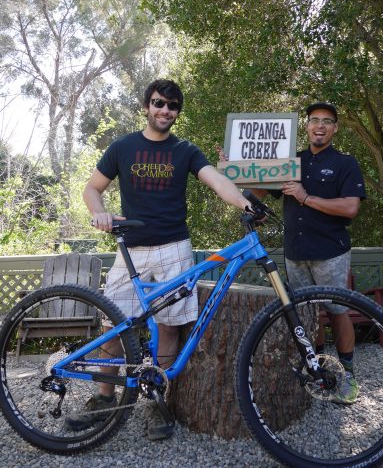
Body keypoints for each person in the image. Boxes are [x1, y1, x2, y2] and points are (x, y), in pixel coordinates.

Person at [66, 79, 250, 439]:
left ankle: (154, 401)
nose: (164, 110)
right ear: (146, 106)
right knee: (112, 326)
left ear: (177, 112)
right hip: (131, 248)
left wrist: (246, 203)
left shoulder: (185, 150)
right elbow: (92, 188)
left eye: (172, 105)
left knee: (168, 327)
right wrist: (99, 212)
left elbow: (215, 180)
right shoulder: (123, 146)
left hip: (173, 247)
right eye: (158, 103)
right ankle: (105, 398)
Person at [219, 101, 366, 404]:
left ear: (334, 128)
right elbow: (259, 189)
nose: (320, 126)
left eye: (327, 121)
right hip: (295, 252)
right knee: (308, 314)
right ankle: (320, 367)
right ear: (308, 126)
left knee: (337, 311)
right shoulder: (291, 160)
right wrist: (236, 167)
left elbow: (350, 207)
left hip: (330, 252)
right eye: (315, 120)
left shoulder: (344, 163)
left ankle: (348, 374)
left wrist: (305, 196)